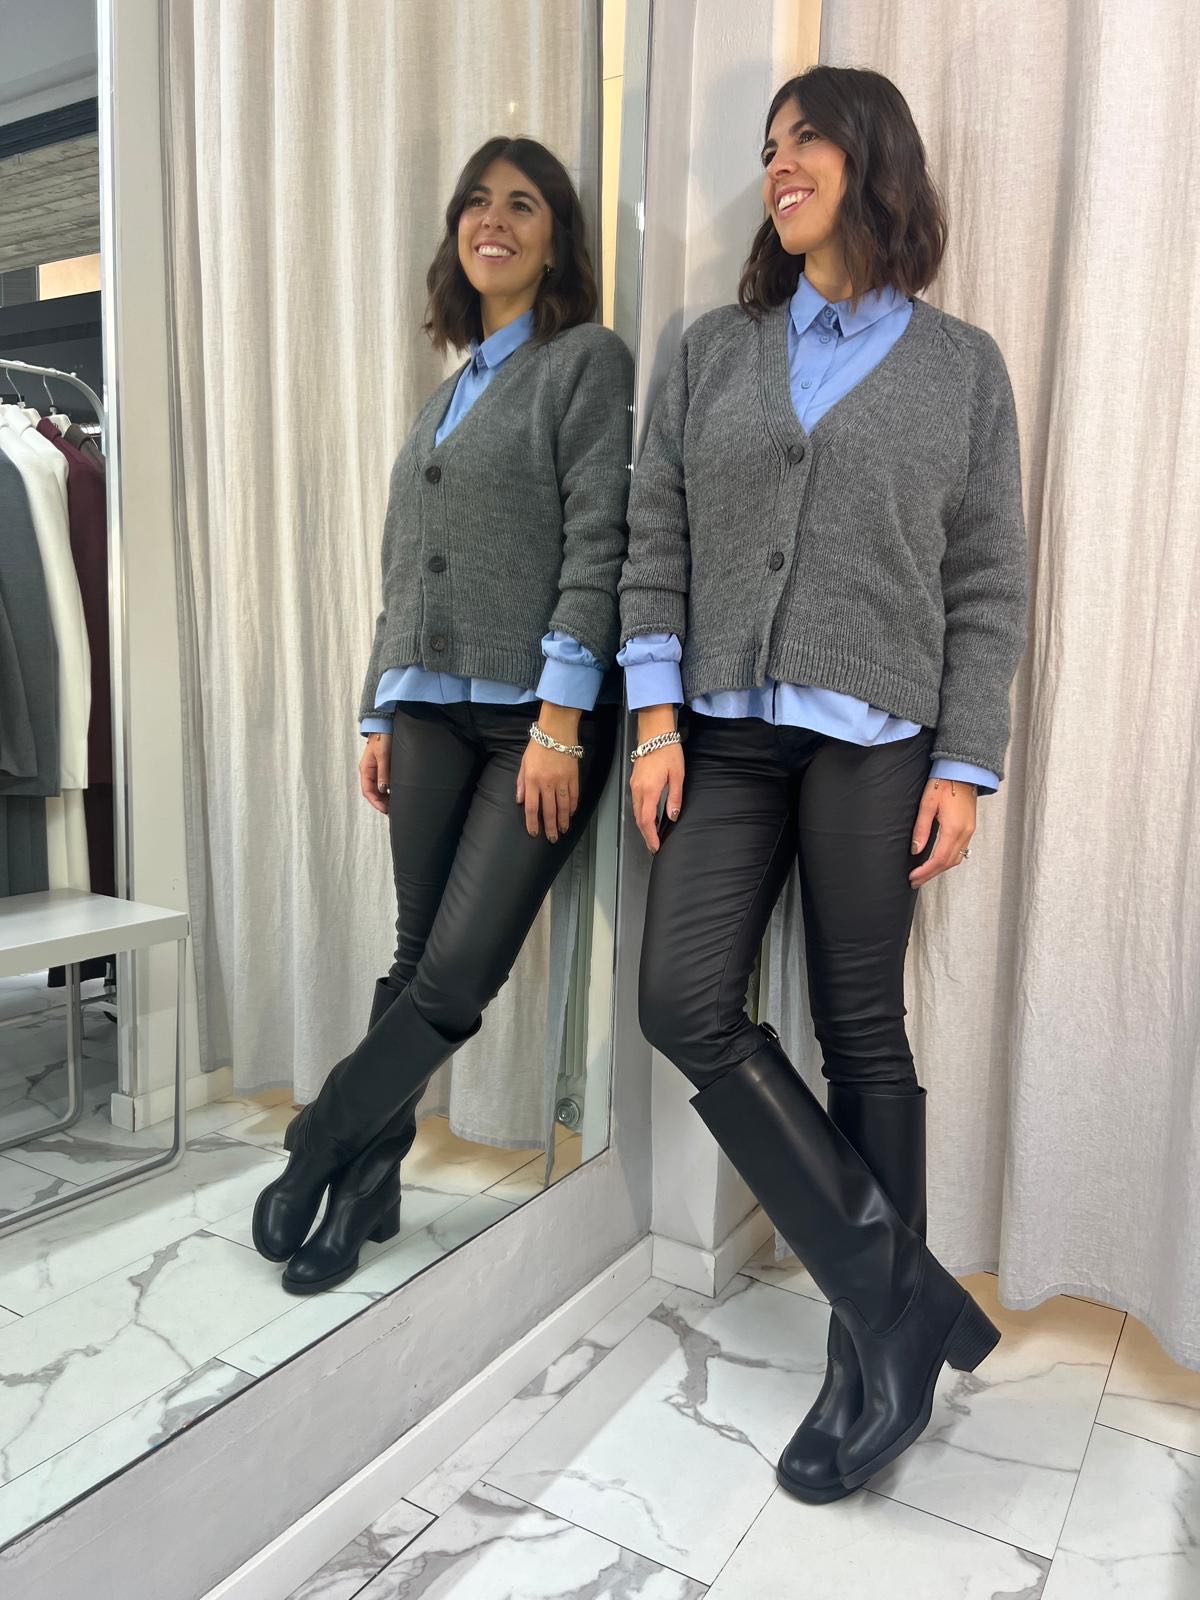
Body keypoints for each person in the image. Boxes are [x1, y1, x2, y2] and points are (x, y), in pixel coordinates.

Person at [618, 65, 1028, 1503]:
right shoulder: (713, 351)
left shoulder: (963, 367)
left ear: (874, 159)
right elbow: (655, 531)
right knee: (684, 1001)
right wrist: (654, 716)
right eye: (768, 145)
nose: (779, 164)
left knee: (863, 1030)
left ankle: (872, 1364)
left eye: (807, 141)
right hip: (723, 732)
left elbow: (988, 579)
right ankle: (899, 1303)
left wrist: (964, 762)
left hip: (879, 739)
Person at [253, 136, 633, 1296]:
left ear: (556, 240)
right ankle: (368, 1191)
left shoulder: (585, 363)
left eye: (522, 204)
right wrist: (378, 706)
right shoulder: (447, 395)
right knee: (414, 955)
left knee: (456, 976)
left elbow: (599, 543)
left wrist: (561, 721)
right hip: (423, 707)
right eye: (476, 202)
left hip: (535, 721)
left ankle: (322, 1137)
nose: (493, 220)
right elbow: (399, 571)